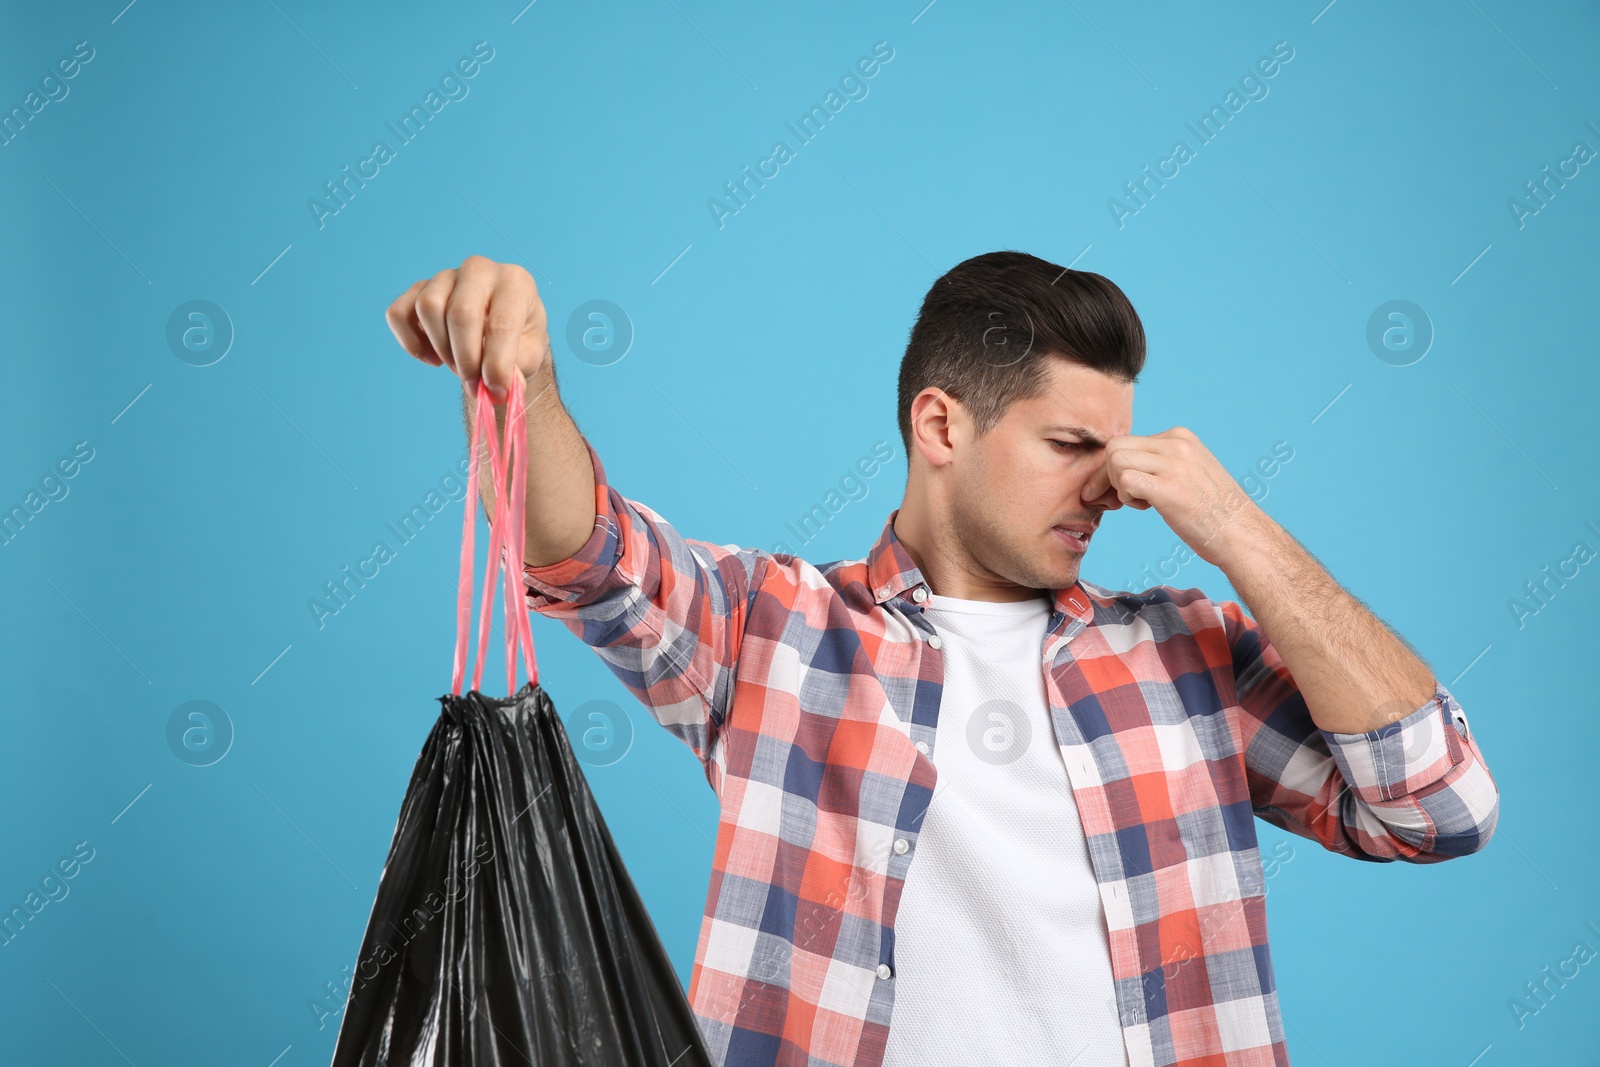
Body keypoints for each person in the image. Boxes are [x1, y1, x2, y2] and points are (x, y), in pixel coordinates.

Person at [385, 250, 1500, 1067]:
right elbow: (587, 554)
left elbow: (1438, 808)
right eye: (1070, 447)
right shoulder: (773, 628)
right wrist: (524, 385)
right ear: (941, 424)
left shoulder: (1186, 649)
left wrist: (1238, 526)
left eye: (1117, 452)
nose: (1109, 486)